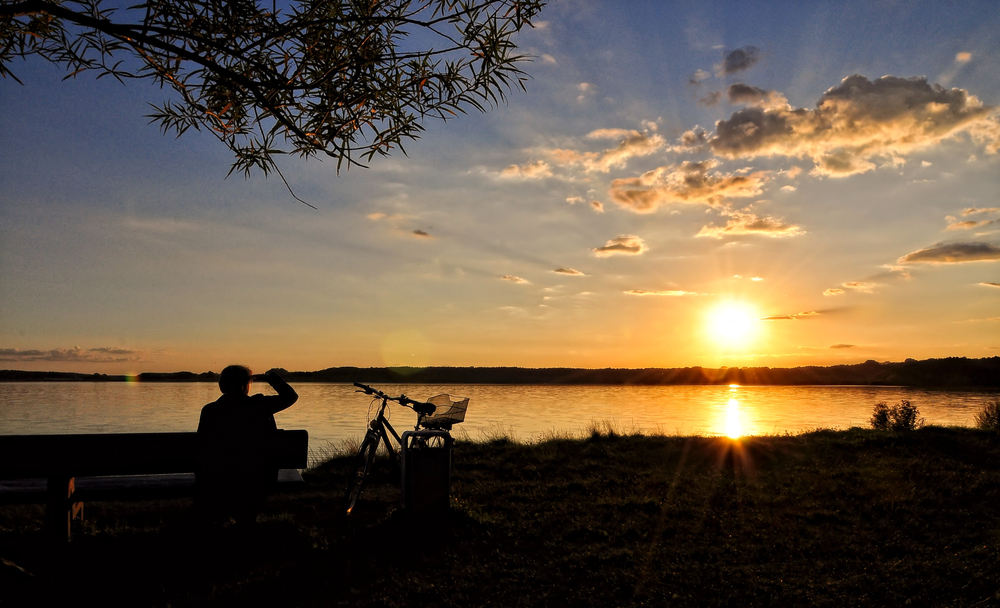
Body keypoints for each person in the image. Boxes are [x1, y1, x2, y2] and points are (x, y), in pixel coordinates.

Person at [196, 365, 298, 526]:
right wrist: (271, 379)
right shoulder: (259, 406)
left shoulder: (210, 410)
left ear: (222, 385)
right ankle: (245, 528)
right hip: (254, 480)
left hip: (216, 480)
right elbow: (290, 396)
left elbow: (202, 447)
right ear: (245, 385)